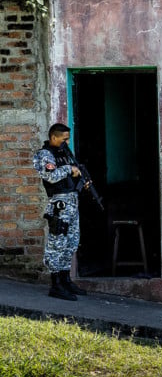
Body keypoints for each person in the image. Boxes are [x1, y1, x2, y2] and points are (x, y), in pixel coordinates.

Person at [33, 123, 88, 301]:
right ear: (53, 137)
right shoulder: (44, 155)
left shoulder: (64, 154)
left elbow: (74, 171)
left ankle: (65, 280)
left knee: (71, 242)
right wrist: (69, 169)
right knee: (56, 243)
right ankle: (55, 284)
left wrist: (82, 178)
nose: (67, 141)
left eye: (68, 138)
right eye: (64, 138)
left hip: (72, 202)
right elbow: (50, 176)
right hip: (59, 204)